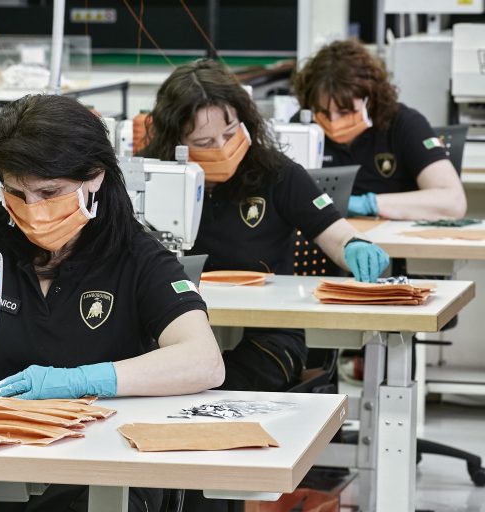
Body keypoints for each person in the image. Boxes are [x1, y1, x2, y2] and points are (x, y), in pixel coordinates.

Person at [0, 94, 225, 512]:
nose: (33, 210)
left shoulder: (137, 255)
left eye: (49, 192)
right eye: (16, 192)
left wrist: (80, 381)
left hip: (99, 458)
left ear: (95, 177)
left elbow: (204, 361)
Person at [140, 57, 390, 512]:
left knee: (207, 404)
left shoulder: (277, 173)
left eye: (230, 132)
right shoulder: (151, 179)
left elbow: (334, 234)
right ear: (175, 143)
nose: (222, 147)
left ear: (245, 121)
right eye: (203, 142)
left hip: (268, 337)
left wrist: (355, 246)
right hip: (172, 337)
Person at [292, 39, 466, 220]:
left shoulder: (404, 124)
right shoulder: (304, 128)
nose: (333, 121)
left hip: (394, 233)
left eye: (345, 112)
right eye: (324, 112)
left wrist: (369, 204)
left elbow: (453, 202)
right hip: (327, 233)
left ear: (370, 99)